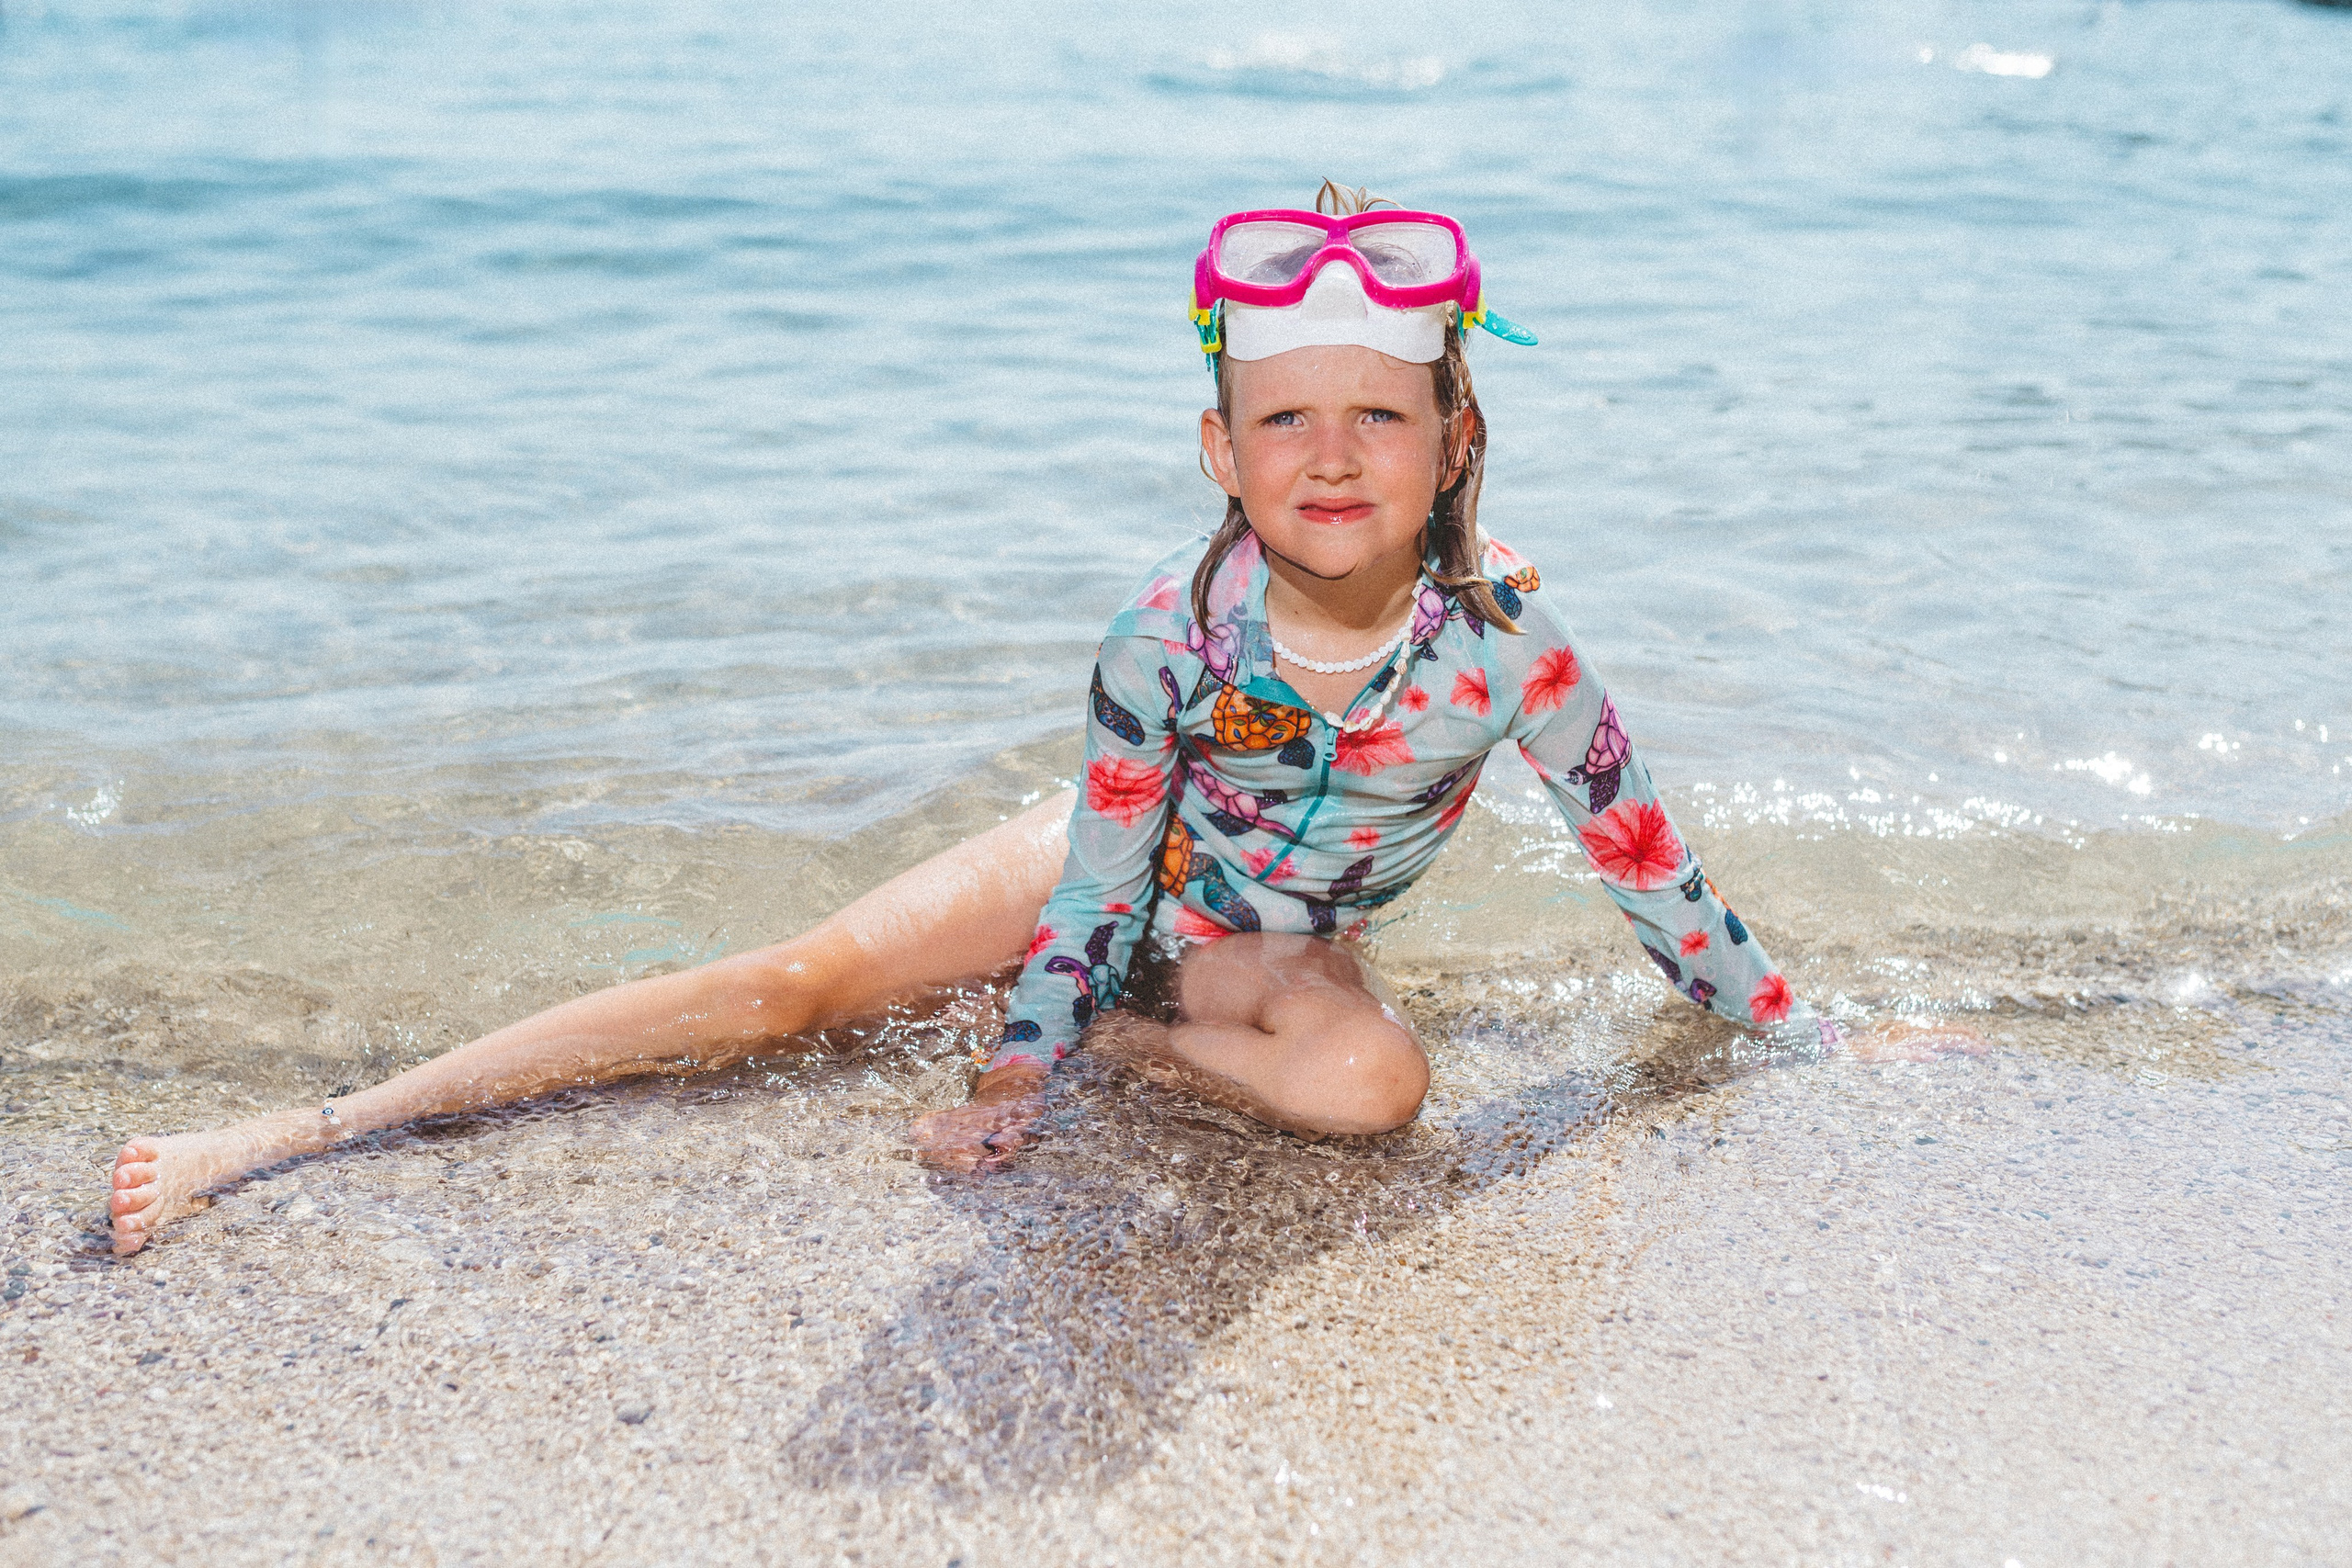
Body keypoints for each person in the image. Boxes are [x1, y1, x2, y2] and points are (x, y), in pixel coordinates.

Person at [105, 182, 1963, 1258]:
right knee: (779, 990)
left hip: (1280, 955)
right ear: (1218, 447)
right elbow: (1093, 860)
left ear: (1450, 441)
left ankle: (1136, 1049)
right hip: (1112, 882)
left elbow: (1650, 865)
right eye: (1284, 419)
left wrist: (1810, 1036)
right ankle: (303, 1122)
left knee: (1376, 1093)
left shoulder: (1507, 658)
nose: (1330, 454)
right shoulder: (1162, 626)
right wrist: (1014, 1063)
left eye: (1378, 417)